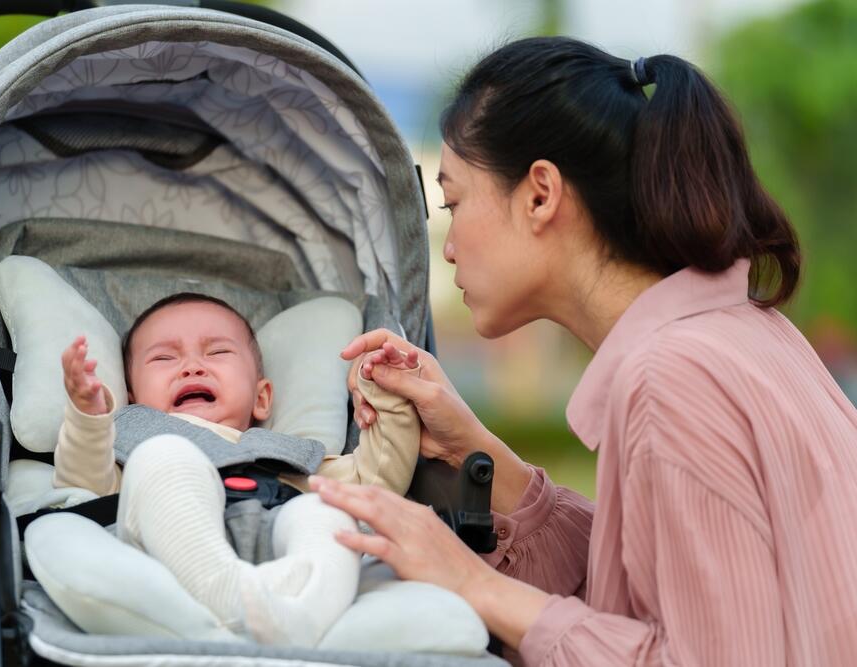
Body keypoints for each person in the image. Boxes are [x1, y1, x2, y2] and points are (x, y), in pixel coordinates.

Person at [309, 36, 857, 666]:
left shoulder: (669, 378)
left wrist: (471, 582)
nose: (451, 246)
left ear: (541, 194)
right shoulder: (744, 334)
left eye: (454, 203)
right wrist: (478, 452)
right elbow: (671, 586)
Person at [53, 293, 421, 646]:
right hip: (164, 572)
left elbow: (375, 484)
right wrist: (89, 416)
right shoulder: (125, 443)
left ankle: (298, 617)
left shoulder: (292, 456)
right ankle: (251, 614)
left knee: (327, 510)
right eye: (164, 358)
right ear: (132, 397)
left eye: (218, 352)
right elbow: (83, 485)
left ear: (261, 398)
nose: (193, 366)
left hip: (275, 561)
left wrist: (391, 400)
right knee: (166, 456)